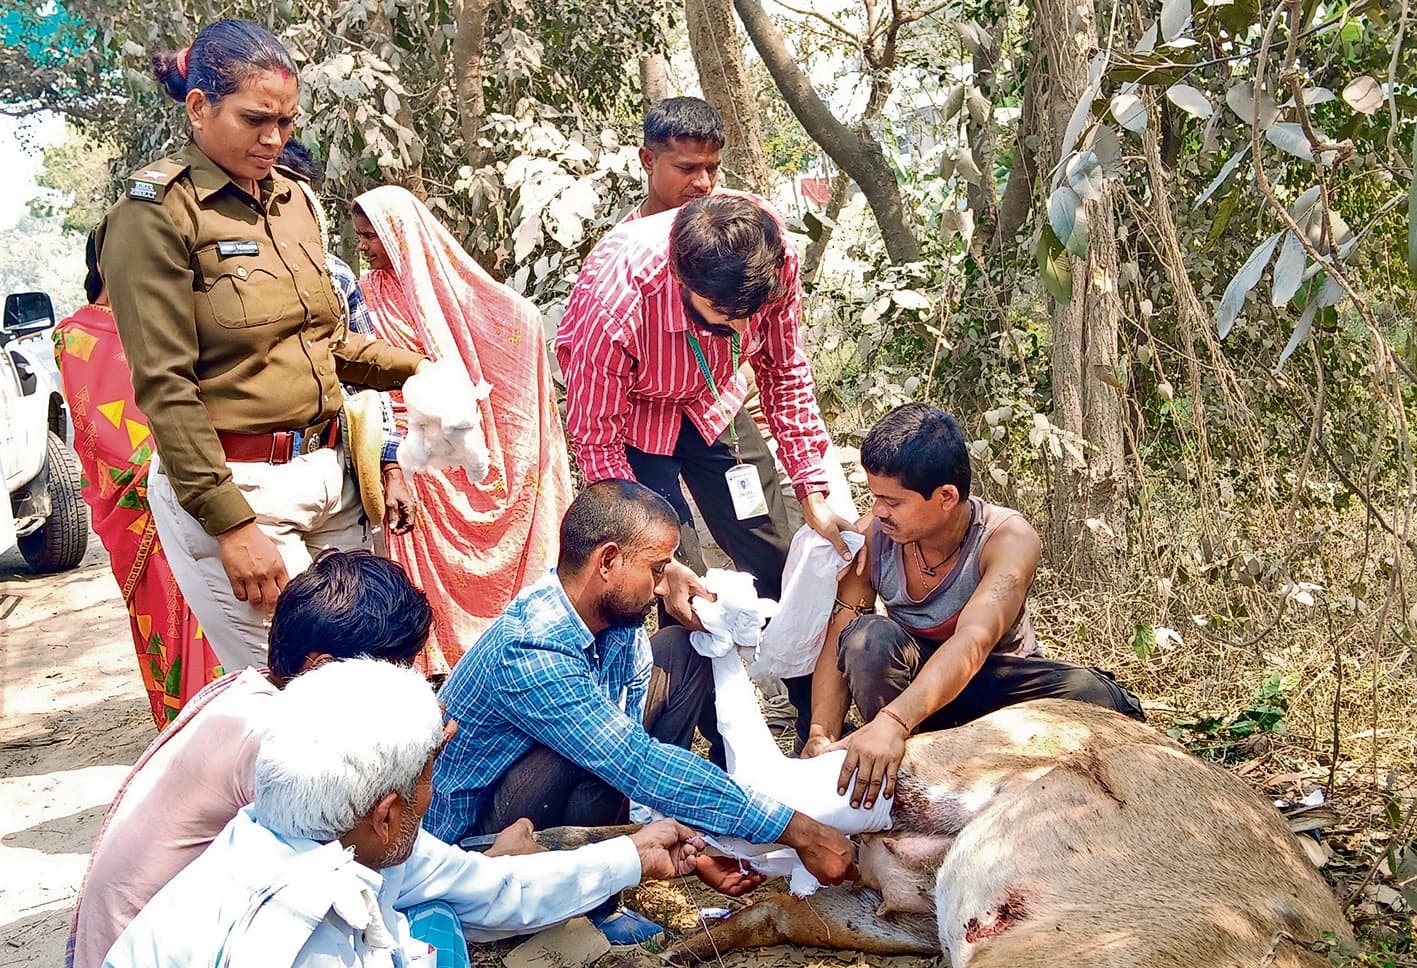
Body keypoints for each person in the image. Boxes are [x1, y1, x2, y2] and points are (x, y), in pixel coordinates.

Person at [94, 20, 431, 673]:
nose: (274, 138)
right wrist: (231, 526)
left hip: (330, 482)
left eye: (286, 121)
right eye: (255, 120)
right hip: (240, 491)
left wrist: (422, 373)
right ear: (199, 108)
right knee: (295, 699)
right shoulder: (156, 213)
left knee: (374, 676)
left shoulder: (294, 201)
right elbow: (167, 386)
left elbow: (324, 340)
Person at [427, 480, 856, 944]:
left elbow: (638, 749)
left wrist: (690, 841)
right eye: (655, 569)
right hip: (479, 840)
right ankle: (578, 903)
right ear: (608, 561)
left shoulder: (613, 617)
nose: (660, 587)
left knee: (682, 653)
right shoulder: (532, 648)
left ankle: (606, 872)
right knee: (596, 754)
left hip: (554, 782)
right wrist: (800, 832)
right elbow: (635, 761)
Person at [102, 658, 706, 968]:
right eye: (426, 784)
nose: (431, 800)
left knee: (436, 916)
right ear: (386, 813)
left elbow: (496, 888)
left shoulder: (278, 833)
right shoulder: (302, 937)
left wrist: (633, 855)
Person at [68, 551, 480, 968]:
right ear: (322, 670)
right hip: (195, 948)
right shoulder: (280, 738)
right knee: (431, 922)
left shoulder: (249, 693)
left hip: (142, 943)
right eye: (395, 674)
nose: (401, 692)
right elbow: (391, 854)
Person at [555, 192, 855, 740]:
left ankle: (818, 725)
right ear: (682, 281)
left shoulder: (774, 256)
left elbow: (784, 373)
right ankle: (724, 743)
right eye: (725, 316)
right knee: (681, 589)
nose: (743, 331)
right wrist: (661, 562)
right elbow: (597, 442)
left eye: (750, 316)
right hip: (635, 417)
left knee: (775, 549)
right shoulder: (617, 303)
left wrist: (813, 490)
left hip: (715, 399)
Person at [801, 404, 1146, 810]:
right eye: (875, 497)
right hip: (918, 693)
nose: (878, 511)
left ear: (946, 496)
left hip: (999, 684)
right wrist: (819, 732)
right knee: (865, 640)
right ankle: (903, 778)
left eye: (892, 501)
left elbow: (972, 644)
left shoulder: (1008, 538)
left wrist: (891, 721)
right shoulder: (876, 535)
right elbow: (840, 631)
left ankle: (904, 742)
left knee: (1095, 698)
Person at [351, 185, 573, 673]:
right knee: (423, 585)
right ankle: (442, 671)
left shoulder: (461, 292)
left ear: (403, 237)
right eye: (360, 236)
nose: (363, 247)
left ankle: (514, 660)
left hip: (466, 452)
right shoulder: (366, 296)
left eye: (372, 237)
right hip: (411, 463)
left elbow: (518, 327)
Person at [53, 238, 221, 727]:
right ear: (106, 263)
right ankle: (186, 728)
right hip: (145, 499)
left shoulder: (175, 321)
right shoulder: (76, 335)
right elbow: (95, 433)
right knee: (167, 618)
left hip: (202, 487)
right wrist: (169, 467)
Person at [276, 139, 415, 535]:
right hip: (256, 479)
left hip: (336, 468)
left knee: (343, 593)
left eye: (300, 199)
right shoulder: (208, 275)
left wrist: (389, 466)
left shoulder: (335, 276)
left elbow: (364, 384)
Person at [623, 96, 723, 221]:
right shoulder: (624, 239)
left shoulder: (739, 217)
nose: (705, 184)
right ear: (648, 161)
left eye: (712, 169)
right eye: (688, 168)